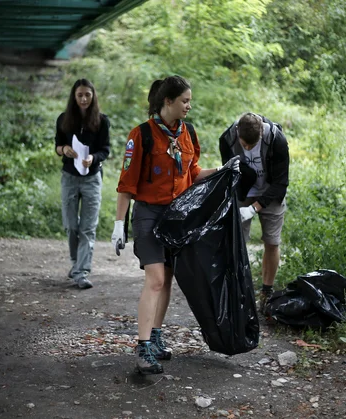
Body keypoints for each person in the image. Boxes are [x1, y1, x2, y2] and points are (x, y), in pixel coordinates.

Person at [111, 75, 239, 374]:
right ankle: (142, 348)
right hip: (149, 214)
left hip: (177, 217)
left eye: (189, 101)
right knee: (155, 279)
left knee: (167, 280)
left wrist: (223, 169)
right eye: (184, 101)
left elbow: (192, 173)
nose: (189, 106)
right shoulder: (140, 135)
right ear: (168, 101)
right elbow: (127, 184)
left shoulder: (188, 133)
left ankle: (155, 335)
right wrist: (119, 223)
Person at [219, 112, 289, 314]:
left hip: (271, 192)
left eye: (252, 145)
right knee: (236, 243)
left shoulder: (276, 140)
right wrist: (235, 201)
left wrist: (254, 208)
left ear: (261, 133)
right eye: (244, 144)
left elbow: (281, 183)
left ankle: (266, 292)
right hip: (242, 192)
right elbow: (229, 171)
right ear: (238, 133)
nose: (247, 148)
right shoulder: (228, 138)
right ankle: (239, 291)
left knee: (272, 242)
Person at [54, 79, 110, 289]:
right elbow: (57, 145)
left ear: (93, 96)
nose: (84, 99)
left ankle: (81, 272)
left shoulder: (102, 121)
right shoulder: (63, 119)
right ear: (74, 97)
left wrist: (93, 158)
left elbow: (105, 149)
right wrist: (64, 150)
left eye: (88, 94)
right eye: (80, 95)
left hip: (92, 177)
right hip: (69, 176)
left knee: (88, 227)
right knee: (71, 226)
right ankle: (76, 262)